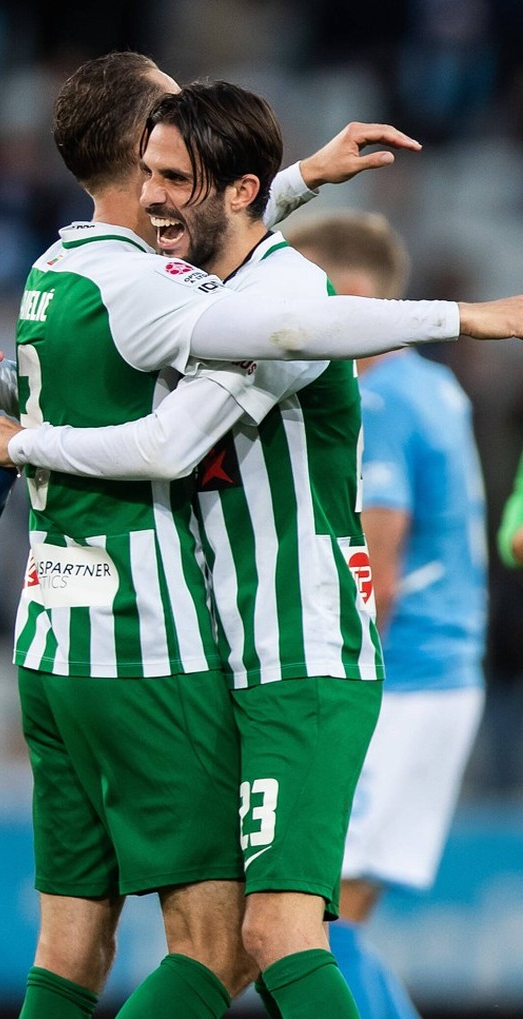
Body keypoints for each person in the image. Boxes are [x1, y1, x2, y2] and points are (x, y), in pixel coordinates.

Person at [0, 53, 523, 1019]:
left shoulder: (246, 296)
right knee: (229, 936)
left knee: (266, 932)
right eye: (157, 173)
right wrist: (14, 398)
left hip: (297, 644)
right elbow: (209, 259)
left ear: (227, 186)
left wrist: (464, 318)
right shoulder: (179, 282)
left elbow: (206, 406)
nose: (163, 198)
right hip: (213, 648)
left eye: (182, 177)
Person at [289, 212, 487, 1019]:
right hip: (434, 677)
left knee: (306, 918)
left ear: (355, 296)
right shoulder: (433, 384)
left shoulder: (381, 403)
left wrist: (325, 701)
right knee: (326, 922)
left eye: (304, 292)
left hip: (401, 683)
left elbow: (377, 572)